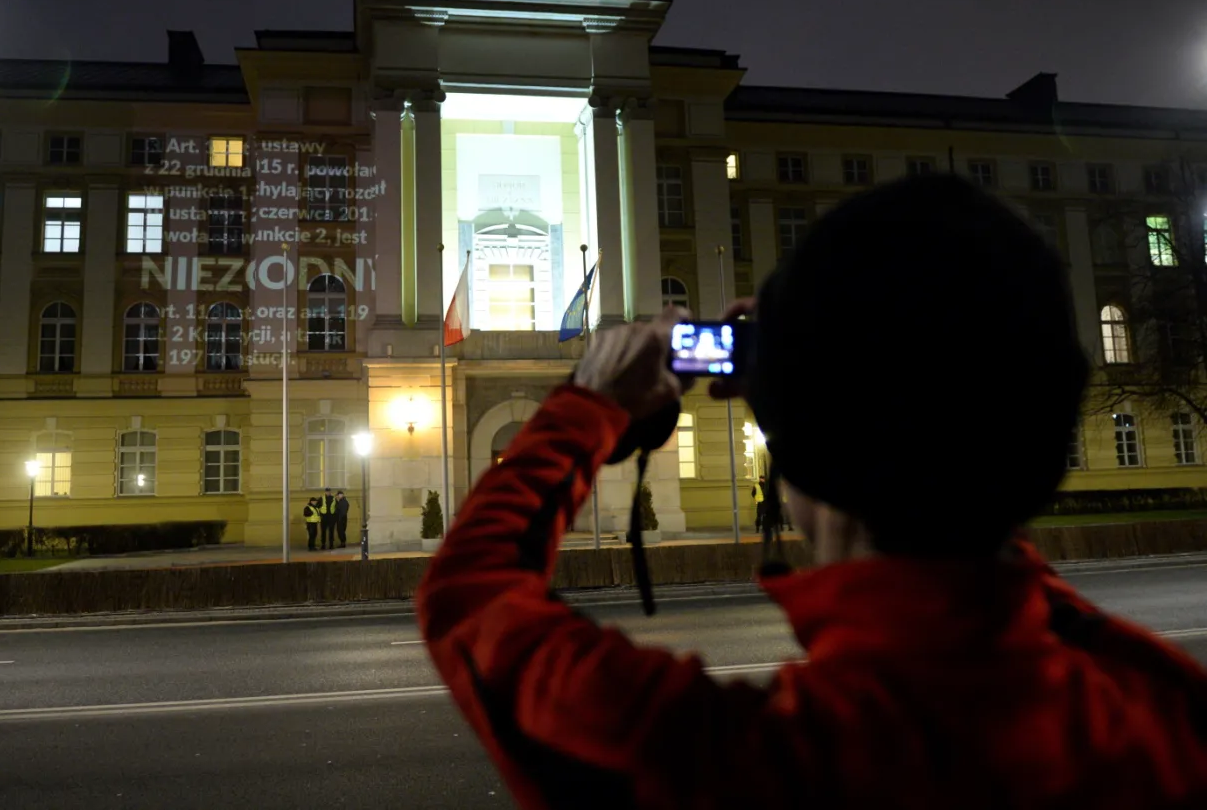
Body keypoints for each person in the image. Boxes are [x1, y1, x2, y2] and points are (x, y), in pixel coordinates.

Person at [415, 175, 1207, 808]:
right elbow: (1004, 589)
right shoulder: (1166, 717)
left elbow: (470, 596)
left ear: (808, 467)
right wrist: (824, 371)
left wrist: (589, 404)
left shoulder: (724, 760)